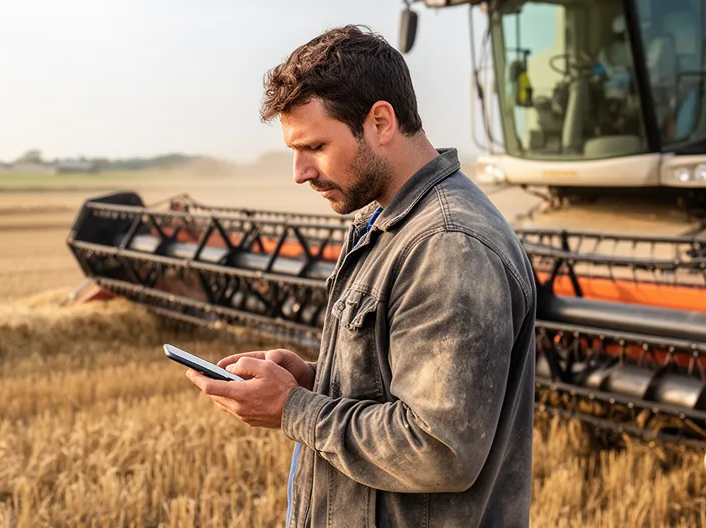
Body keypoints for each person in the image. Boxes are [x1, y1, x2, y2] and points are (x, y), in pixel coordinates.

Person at [185, 25, 537, 528]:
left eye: (315, 146)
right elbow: (397, 385)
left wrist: (292, 408)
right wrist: (315, 379)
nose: (300, 172)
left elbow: (439, 449)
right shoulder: (386, 223)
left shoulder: (447, 245)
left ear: (380, 122)